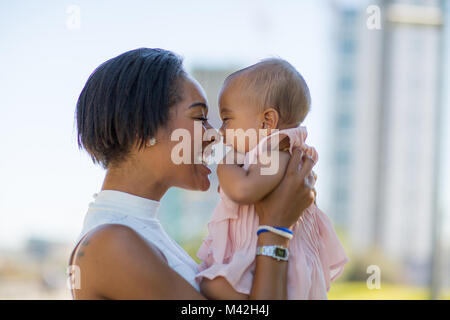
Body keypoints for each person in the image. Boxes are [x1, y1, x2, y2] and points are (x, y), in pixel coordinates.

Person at [69, 48, 317, 299]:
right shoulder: (111, 245)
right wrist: (276, 229)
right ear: (140, 129)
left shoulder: (138, 234)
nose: (215, 134)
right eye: (200, 118)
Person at [196, 59, 348, 299]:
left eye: (227, 119)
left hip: (282, 265)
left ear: (267, 122)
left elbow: (244, 190)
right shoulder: (264, 155)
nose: (222, 131)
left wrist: (225, 164)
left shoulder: (279, 152)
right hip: (258, 257)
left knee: (210, 284)